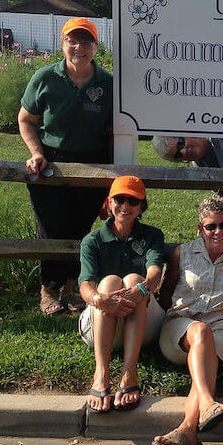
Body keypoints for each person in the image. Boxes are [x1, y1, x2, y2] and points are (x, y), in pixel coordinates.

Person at [18, 17, 112, 315]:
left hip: (93, 164)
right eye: (73, 40)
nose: (79, 47)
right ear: (63, 43)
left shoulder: (108, 83)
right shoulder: (45, 77)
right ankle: (48, 289)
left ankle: (71, 288)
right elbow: (26, 119)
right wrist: (36, 152)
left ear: (95, 47)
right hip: (52, 162)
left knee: (80, 228)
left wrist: (113, 176)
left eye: (86, 41)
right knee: (50, 226)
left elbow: (115, 132)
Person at [151, 194, 223, 445]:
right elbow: (166, 295)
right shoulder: (182, 253)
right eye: (211, 226)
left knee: (207, 347)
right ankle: (208, 403)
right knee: (199, 330)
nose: (218, 232)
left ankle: (187, 430)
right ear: (200, 228)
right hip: (182, 327)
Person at [77, 176, 166, 413]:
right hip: (99, 325)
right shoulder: (92, 241)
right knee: (108, 283)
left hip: (141, 325)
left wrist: (142, 289)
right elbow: (85, 285)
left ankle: (129, 372)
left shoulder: (152, 235)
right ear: (108, 202)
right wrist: (102, 300)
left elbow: (155, 274)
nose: (125, 206)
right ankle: (101, 373)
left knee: (136, 280)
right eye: (119, 199)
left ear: (141, 206)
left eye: (133, 201)